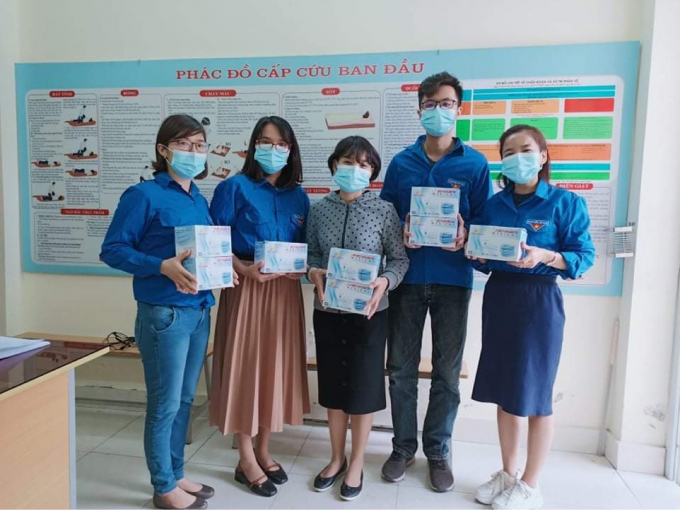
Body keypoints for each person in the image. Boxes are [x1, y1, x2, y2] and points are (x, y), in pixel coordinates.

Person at [100, 114, 229, 510]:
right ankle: (162, 486)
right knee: (165, 404)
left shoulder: (198, 198)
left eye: (199, 145)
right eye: (184, 144)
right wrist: (160, 266)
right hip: (164, 315)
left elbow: (202, 251)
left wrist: (222, 269)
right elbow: (112, 250)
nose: (193, 152)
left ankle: (176, 473)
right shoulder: (143, 195)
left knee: (186, 400)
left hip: (199, 311)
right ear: (163, 150)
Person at [469, 125, 595, 510]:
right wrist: (476, 255)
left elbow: (584, 256)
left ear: (542, 156)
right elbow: (484, 257)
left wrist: (547, 256)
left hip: (540, 301)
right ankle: (508, 474)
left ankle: (531, 484)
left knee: (536, 396)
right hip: (500, 298)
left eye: (525, 150)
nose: (517, 158)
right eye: (508, 152)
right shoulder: (493, 205)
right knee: (505, 392)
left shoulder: (565, 203)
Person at [380, 71, 492, 492]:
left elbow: (484, 223)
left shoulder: (475, 164)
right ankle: (402, 447)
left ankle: (438, 450)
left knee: (446, 372)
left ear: (459, 109)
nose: (438, 110)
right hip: (407, 279)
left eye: (446, 104)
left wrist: (467, 236)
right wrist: (401, 231)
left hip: (453, 281)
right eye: (430, 104)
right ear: (419, 110)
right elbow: (386, 219)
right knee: (400, 370)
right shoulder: (401, 163)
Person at [209, 115, 310, 498]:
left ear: (291, 150)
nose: (273, 149)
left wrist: (301, 268)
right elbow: (213, 243)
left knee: (273, 370)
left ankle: (265, 449)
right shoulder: (234, 187)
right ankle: (246, 456)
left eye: (281, 143)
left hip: (284, 294)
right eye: (265, 142)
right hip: (247, 290)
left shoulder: (299, 196)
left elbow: (306, 245)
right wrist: (242, 270)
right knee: (246, 369)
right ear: (253, 146)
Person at [306, 136, 409, 501]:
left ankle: (357, 463)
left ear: (372, 172)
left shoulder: (384, 211)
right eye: (348, 162)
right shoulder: (319, 210)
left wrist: (385, 281)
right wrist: (314, 273)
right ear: (334, 165)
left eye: (364, 165)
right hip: (328, 311)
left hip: (369, 314)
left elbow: (400, 260)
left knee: (363, 390)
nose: (355, 169)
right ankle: (336, 459)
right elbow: (311, 256)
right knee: (333, 389)